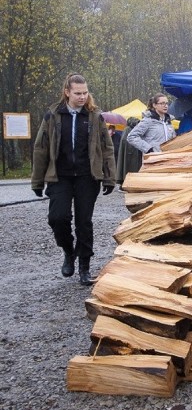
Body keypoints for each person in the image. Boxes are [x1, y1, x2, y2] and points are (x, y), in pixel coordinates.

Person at [31, 74, 116, 286]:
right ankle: (69, 252)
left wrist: (109, 178)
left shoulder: (95, 116)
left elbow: (107, 148)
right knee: (57, 218)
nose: (82, 96)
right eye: (77, 93)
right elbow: (40, 148)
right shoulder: (52, 115)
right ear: (67, 92)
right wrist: (37, 181)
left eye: (85, 92)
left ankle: (84, 268)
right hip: (60, 176)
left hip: (87, 177)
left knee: (84, 223)